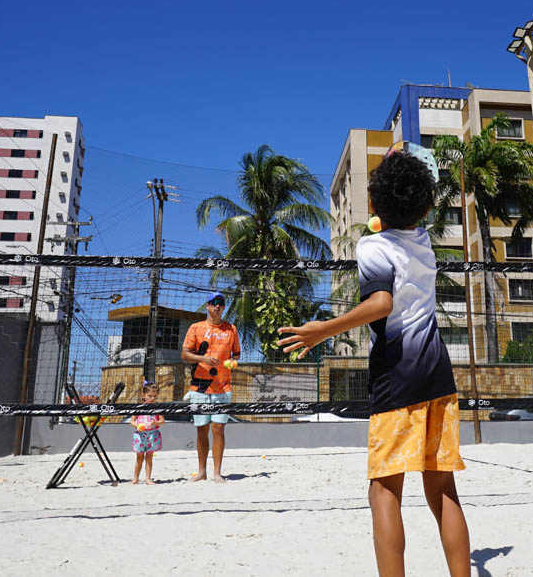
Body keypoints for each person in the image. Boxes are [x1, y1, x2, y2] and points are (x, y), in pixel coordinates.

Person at [277, 149, 470, 577]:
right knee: (442, 490)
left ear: (377, 202)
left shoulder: (373, 246)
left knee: (384, 491)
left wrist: (322, 329)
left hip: (397, 376)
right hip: (438, 374)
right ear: (423, 205)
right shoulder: (422, 242)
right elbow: (404, 210)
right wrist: (398, 176)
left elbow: (381, 303)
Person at [182, 291, 240, 484]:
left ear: (223, 307)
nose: (218, 306)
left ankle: (217, 472)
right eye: (214, 303)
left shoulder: (231, 329)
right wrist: (204, 359)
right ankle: (201, 472)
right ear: (207, 306)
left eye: (221, 303)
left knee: (218, 428)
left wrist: (232, 361)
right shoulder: (196, 327)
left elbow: (236, 354)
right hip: (199, 387)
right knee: (201, 429)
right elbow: (185, 355)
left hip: (223, 386)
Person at [129, 381, 164, 484]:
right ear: (143, 395)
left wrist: (155, 422)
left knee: (149, 458)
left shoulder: (157, 408)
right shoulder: (139, 408)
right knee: (139, 458)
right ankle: (135, 478)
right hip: (140, 435)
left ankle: (148, 478)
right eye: (150, 396)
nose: (152, 398)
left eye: (154, 396)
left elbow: (162, 421)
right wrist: (138, 426)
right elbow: (132, 421)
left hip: (152, 435)